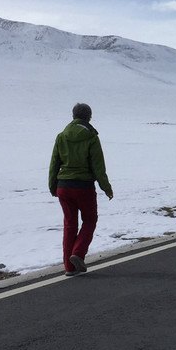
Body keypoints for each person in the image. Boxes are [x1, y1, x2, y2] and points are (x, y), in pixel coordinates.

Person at [49, 103, 113, 276]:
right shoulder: (91, 137)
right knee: (90, 220)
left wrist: (53, 186)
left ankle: (69, 268)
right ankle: (77, 254)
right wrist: (106, 188)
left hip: (64, 186)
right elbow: (98, 166)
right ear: (89, 117)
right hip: (83, 187)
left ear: (73, 116)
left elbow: (54, 163)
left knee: (70, 225)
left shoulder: (61, 136)